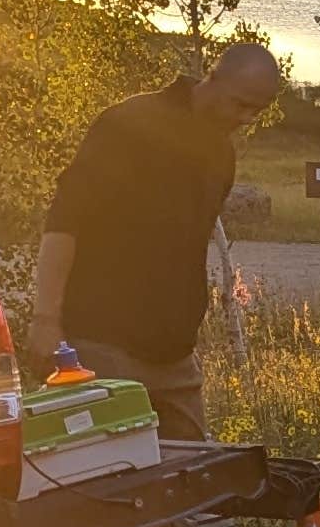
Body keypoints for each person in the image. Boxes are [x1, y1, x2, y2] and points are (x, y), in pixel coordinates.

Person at [29, 39, 283, 438]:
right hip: (102, 345)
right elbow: (64, 221)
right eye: (239, 103)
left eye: (258, 110)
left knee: (198, 482)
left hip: (175, 358)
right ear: (213, 77)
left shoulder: (221, 154)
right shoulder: (130, 124)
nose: (246, 117)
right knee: (111, 482)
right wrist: (46, 320)